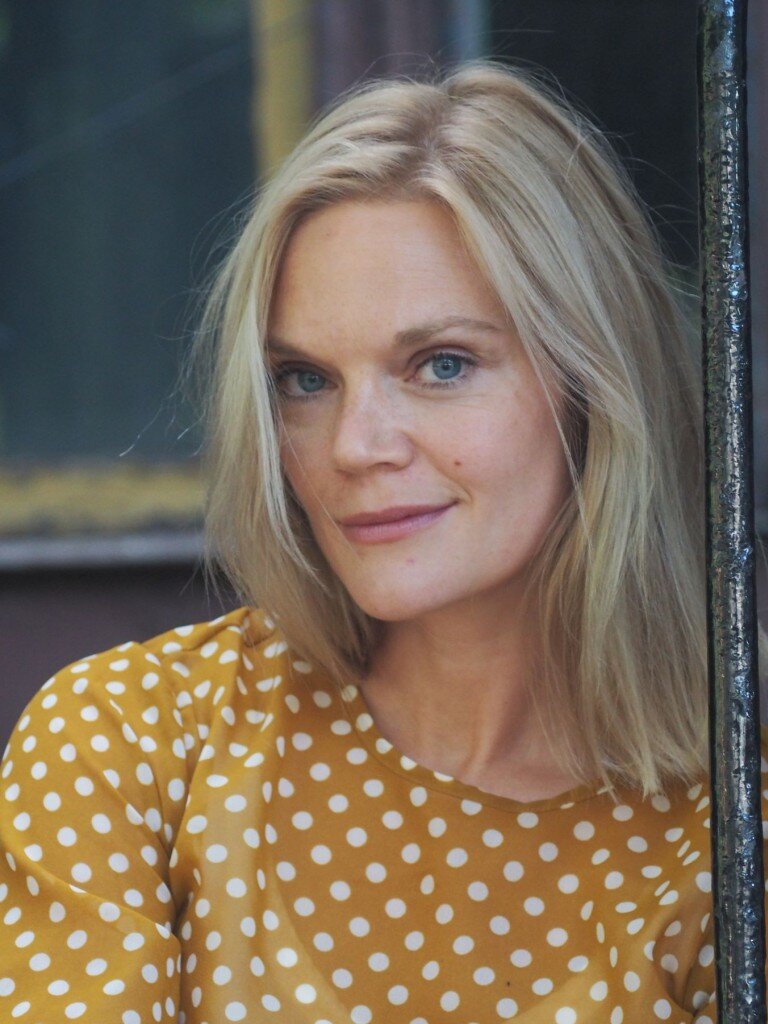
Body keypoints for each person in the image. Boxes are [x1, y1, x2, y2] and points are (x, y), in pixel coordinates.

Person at [1, 58, 766, 1024]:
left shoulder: (733, 826)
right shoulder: (139, 742)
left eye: (441, 365)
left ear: (594, 387)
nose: (354, 447)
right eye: (305, 381)